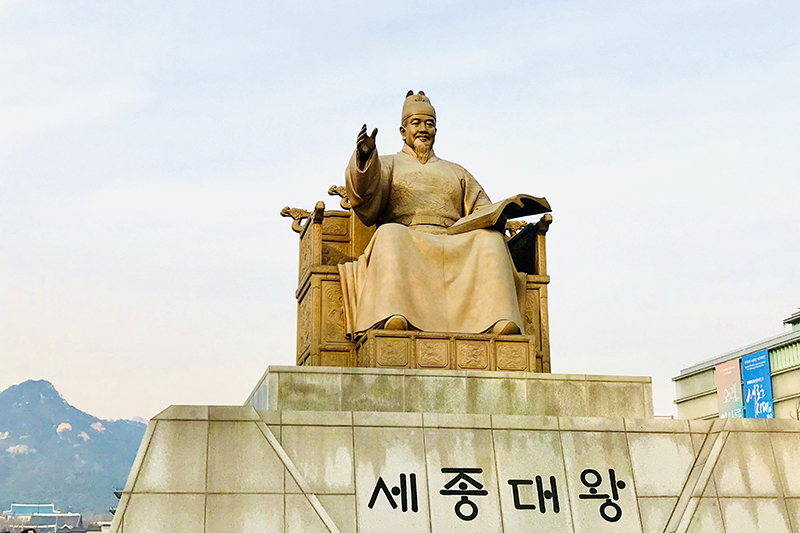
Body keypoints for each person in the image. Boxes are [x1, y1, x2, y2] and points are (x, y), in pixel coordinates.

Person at [339, 91, 526, 337]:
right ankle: (393, 314)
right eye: (416, 123)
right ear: (403, 131)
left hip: (454, 238)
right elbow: (364, 196)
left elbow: (482, 208)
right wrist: (364, 157)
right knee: (389, 233)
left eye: (429, 124)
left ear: (436, 130)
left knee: (490, 239)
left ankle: (498, 319)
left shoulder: (456, 171)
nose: (423, 129)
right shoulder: (387, 163)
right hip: (408, 237)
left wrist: (498, 214)